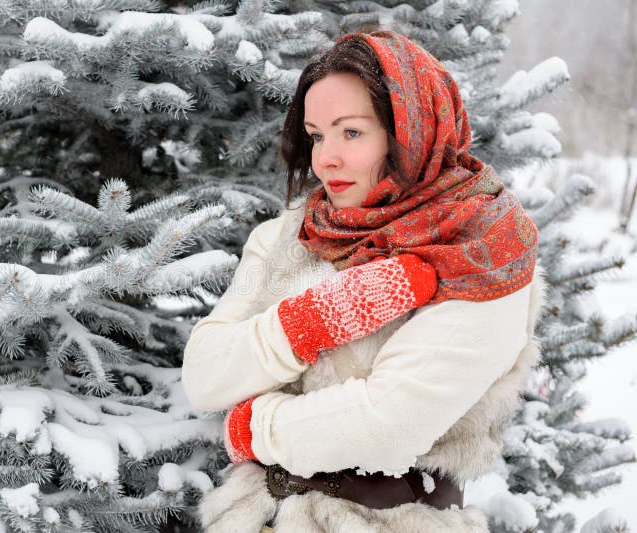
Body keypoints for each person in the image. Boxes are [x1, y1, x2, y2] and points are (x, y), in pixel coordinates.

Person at [181, 30, 544, 533]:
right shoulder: (293, 234)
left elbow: (388, 426)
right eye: (316, 135)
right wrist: (315, 320)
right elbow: (204, 375)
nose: (325, 158)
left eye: (351, 132)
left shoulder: (483, 252)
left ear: (413, 130)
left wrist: (252, 425)